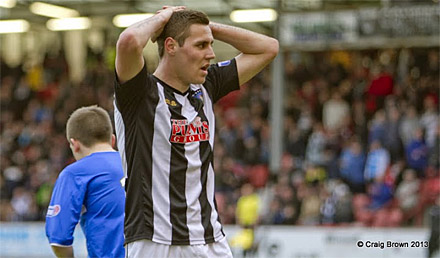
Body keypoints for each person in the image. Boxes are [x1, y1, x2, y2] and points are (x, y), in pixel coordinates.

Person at [113, 6, 278, 258]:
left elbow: (269, 47)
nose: (211, 54)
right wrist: (164, 19)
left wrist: (209, 27)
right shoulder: (139, 94)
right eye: (201, 45)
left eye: (210, 44)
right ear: (170, 46)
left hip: (209, 239)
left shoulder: (207, 86)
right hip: (155, 242)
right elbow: (129, 41)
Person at [45, 106, 125, 258]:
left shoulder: (75, 173)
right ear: (112, 140)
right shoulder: (136, 164)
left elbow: (59, 239)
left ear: (75, 144)